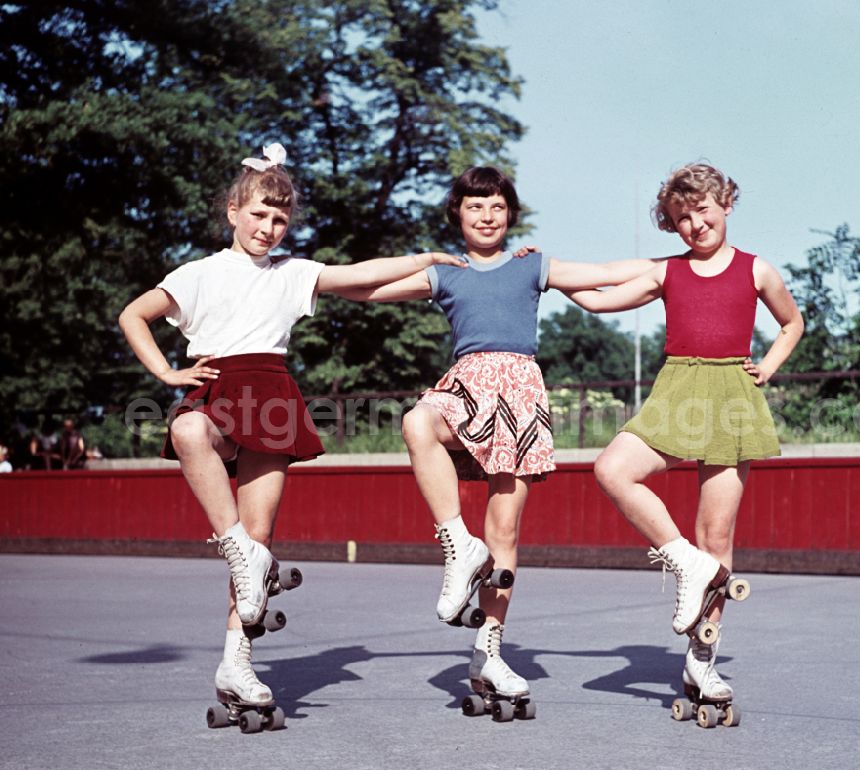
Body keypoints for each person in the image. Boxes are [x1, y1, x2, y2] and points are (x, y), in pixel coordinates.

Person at [118, 142, 466, 719]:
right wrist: (166, 371)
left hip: (272, 395)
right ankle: (235, 550)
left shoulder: (292, 274)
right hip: (216, 386)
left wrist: (426, 257)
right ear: (233, 210)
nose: (269, 227)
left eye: (280, 219)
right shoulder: (197, 274)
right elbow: (134, 313)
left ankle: (237, 664)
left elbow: (360, 274)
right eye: (258, 214)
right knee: (187, 435)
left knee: (258, 546)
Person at [336, 166, 654, 711]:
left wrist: (676, 268)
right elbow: (365, 292)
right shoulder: (448, 272)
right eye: (475, 207)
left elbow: (602, 272)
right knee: (418, 422)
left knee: (504, 530)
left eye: (496, 207)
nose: (486, 216)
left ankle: (488, 651)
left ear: (509, 214)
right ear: (457, 214)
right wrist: (413, 261)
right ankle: (457, 544)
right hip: (467, 383)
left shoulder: (532, 266)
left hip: (519, 393)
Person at [559, 163, 804, 715]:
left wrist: (767, 366)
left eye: (701, 210)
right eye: (680, 218)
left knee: (717, 540)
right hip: (678, 389)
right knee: (612, 469)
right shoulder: (668, 273)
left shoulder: (756, 269)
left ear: (726, 204)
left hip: (733, 396)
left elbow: (793, 323)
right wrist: (545, 278)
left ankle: (703, 657)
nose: (694, 224)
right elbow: (600, 298)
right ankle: (679, 561)